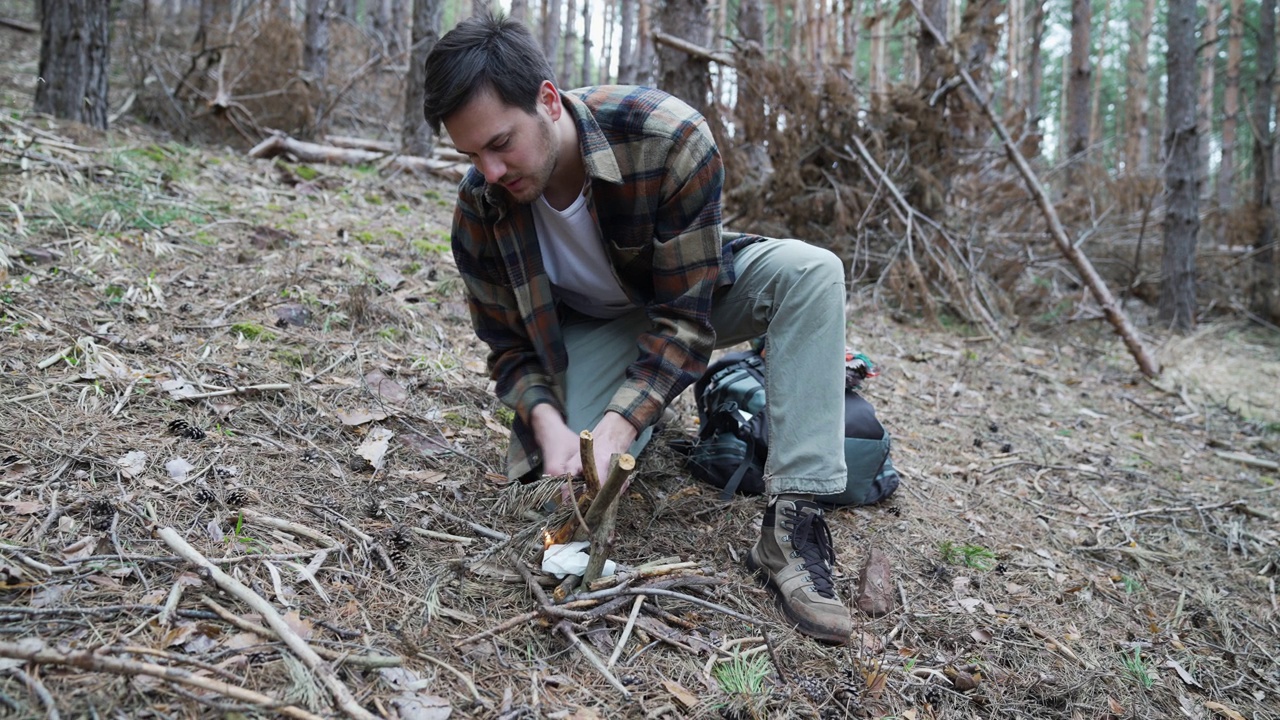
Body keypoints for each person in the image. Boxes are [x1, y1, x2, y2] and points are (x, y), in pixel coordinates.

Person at [423, 13, 855, 643]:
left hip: (685, 288)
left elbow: (684, 319)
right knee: (555, 486)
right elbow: (508, 348)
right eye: (470, 155)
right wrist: (548, 425)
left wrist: (619, 422)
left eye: (500, 144)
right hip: (594, 328)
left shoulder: (666, 136)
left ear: (547, 100)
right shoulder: (480, 206)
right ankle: (623, 416)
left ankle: (794, 523)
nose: (489, 171)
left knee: (812, 273)